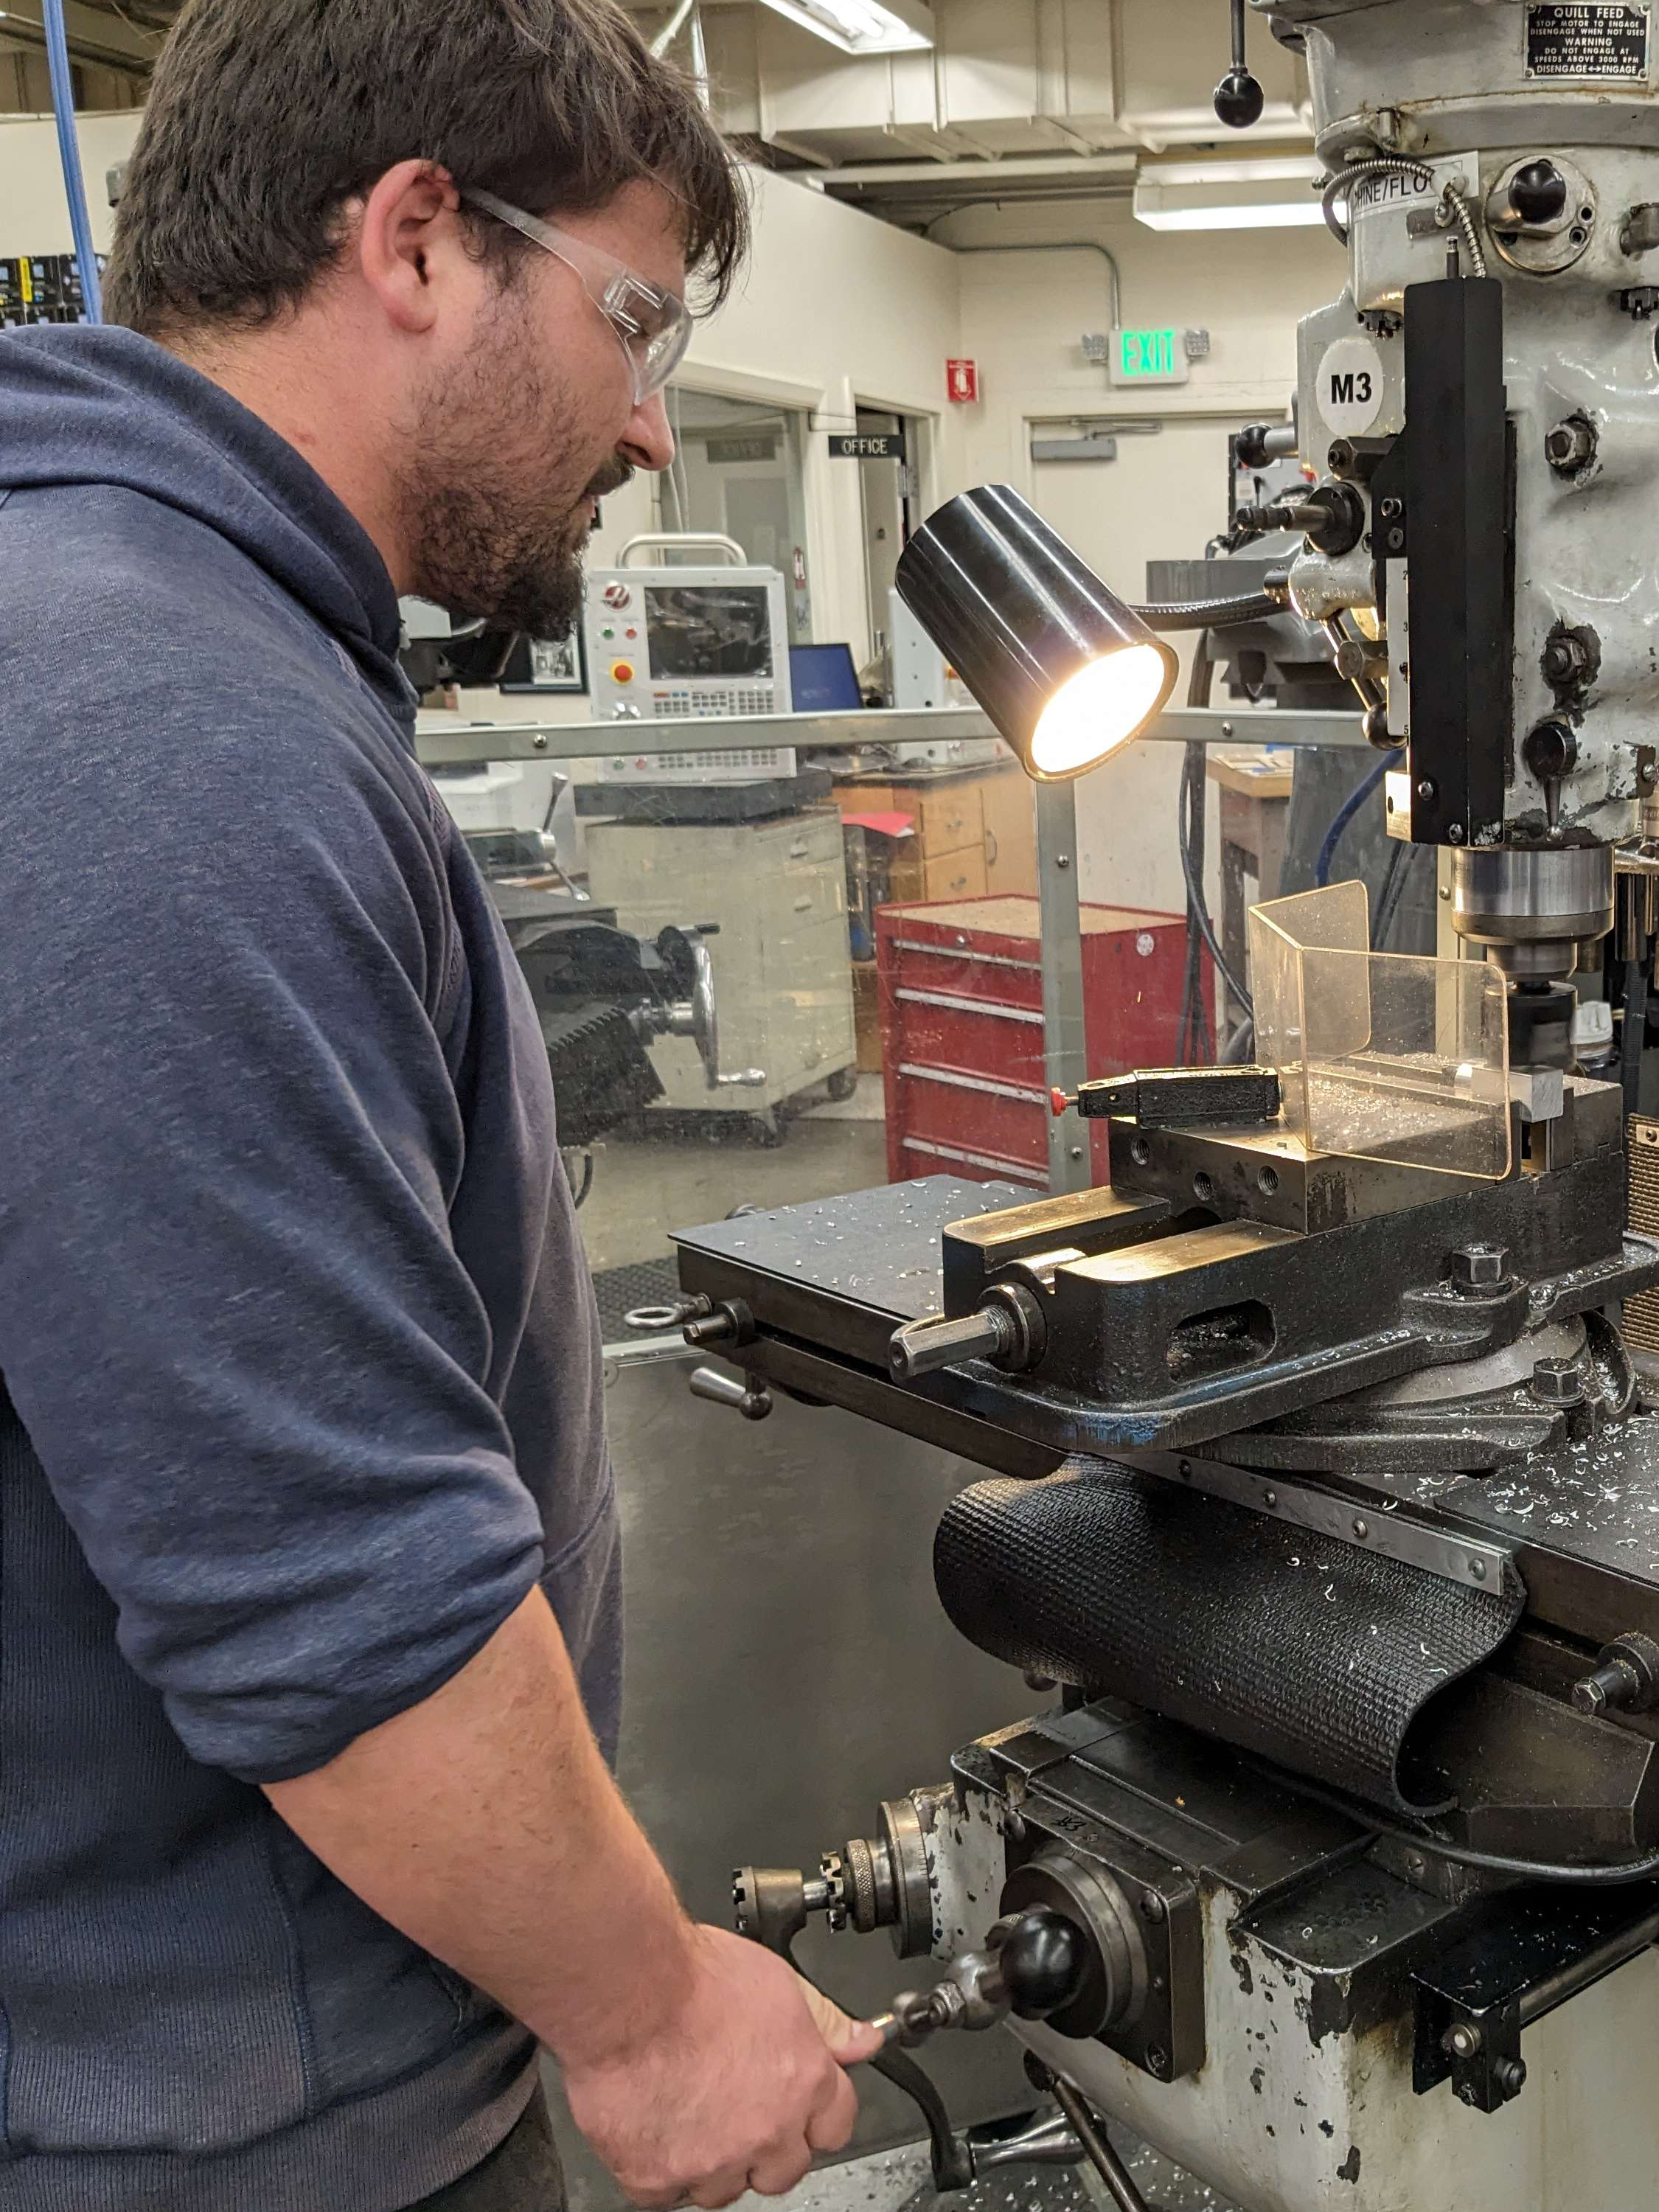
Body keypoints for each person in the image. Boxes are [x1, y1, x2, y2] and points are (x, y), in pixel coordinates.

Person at [0, 3, 879, 2207]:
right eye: (635, 321)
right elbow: (330, 1586)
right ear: (414, 242)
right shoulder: (157, 734)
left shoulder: (150, 636)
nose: (656, 428)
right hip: (233, 2129)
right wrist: (652, 2017)